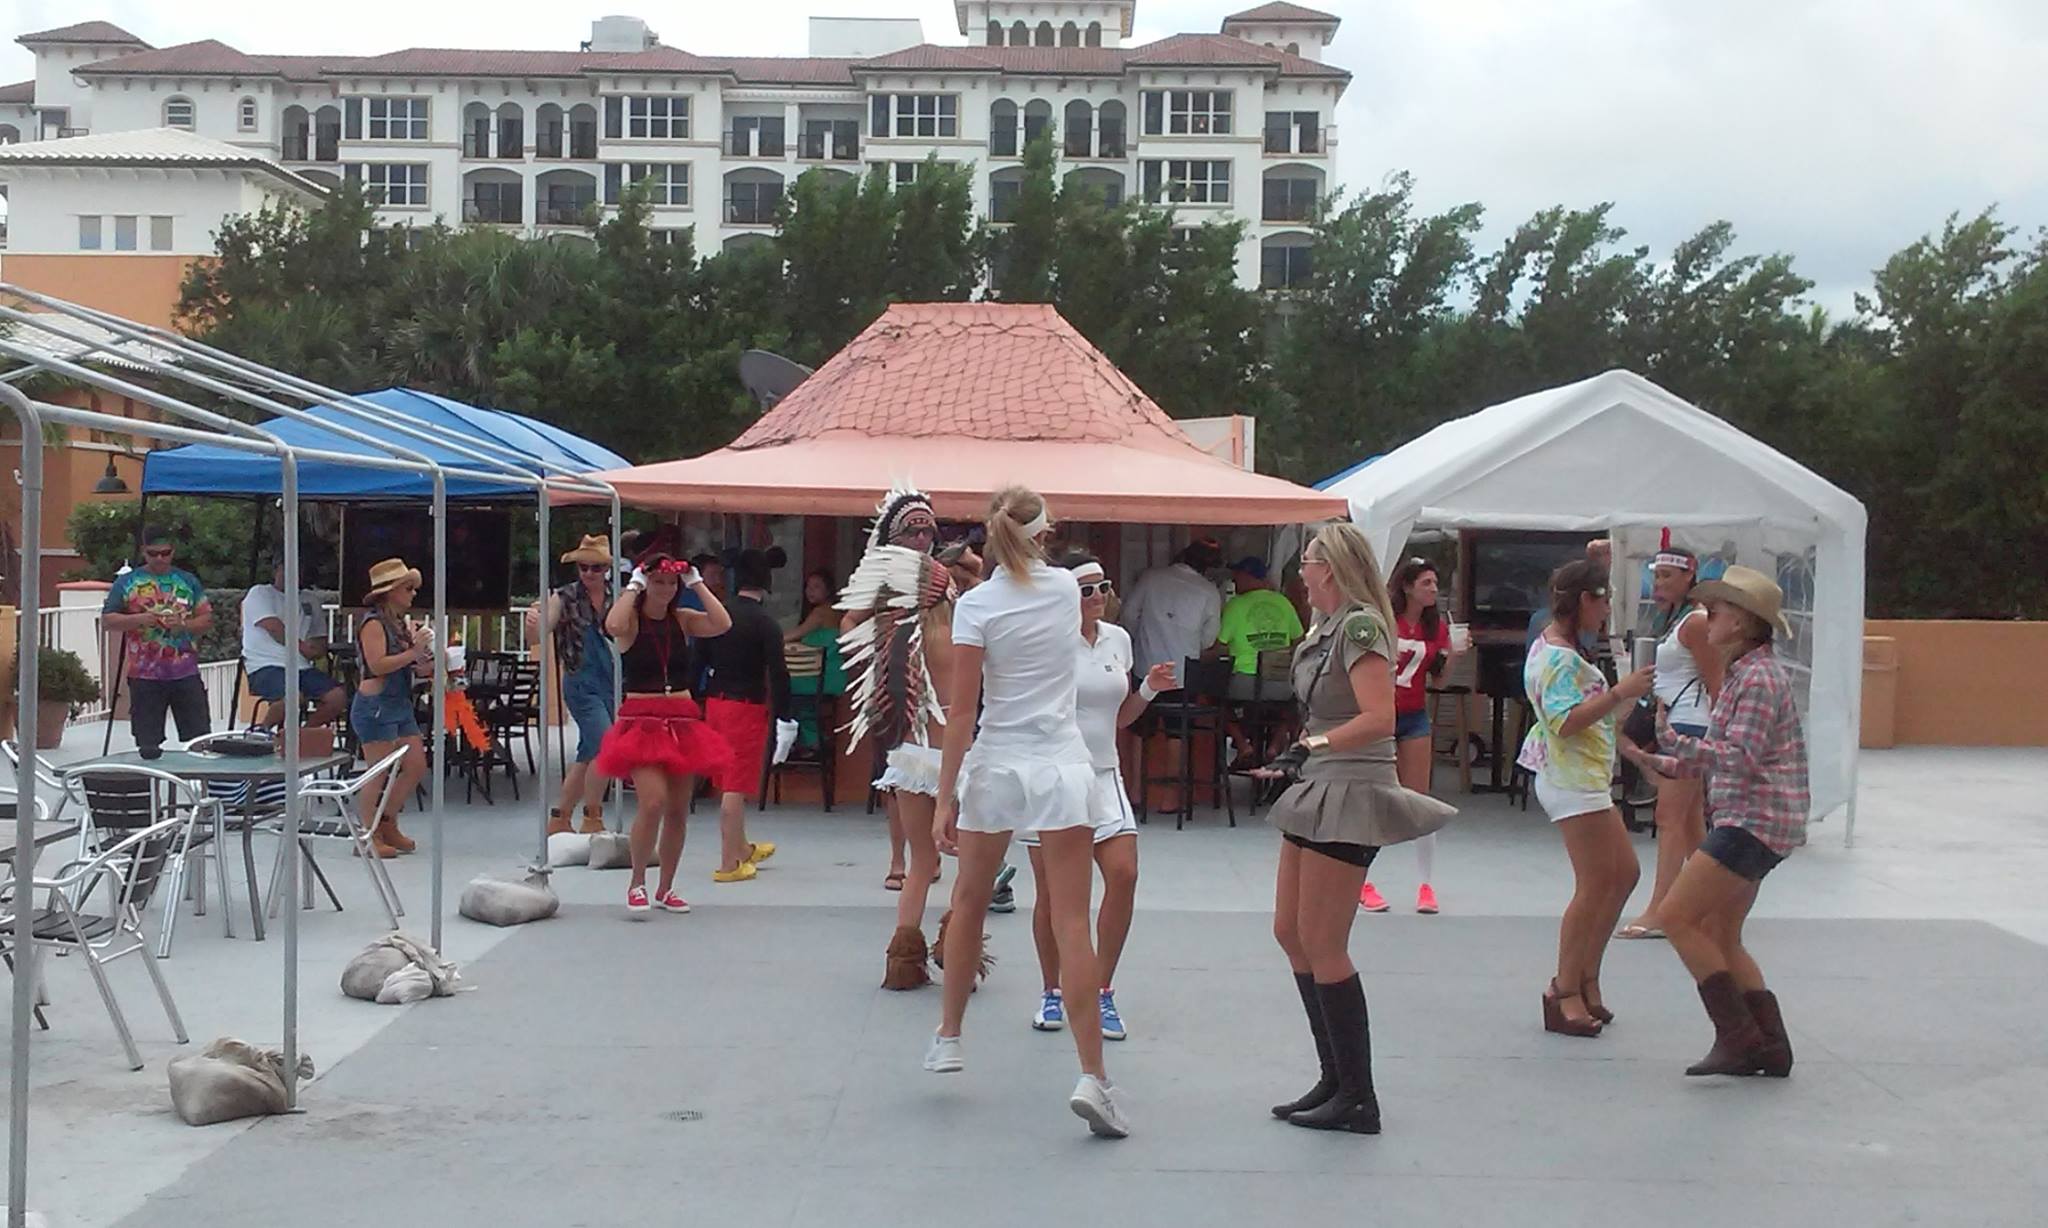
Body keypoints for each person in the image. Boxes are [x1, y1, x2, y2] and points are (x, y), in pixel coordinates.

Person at [925, 486, 1130, 1140]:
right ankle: (1093, 1074)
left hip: (997, 760)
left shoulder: (976, 605)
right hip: (1061, 761)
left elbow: (963, 710)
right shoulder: (1067, 589)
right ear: (1044, 535)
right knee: (1071, 919)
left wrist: (945, 795)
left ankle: (950, 1034)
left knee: (969, 900)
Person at [1258, 524, 1455, 1136]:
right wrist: (1300, 752)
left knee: (1323, 940)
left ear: (1332, 567)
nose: (1301, 572)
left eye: (1309, 561)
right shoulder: (1327, 627)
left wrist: (1312, 745)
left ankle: (1358, 1096)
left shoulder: (1361, 627)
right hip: (1319, 783)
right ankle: (1335, 1078)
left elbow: (1379, 717)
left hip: (1351, 788)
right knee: (1291, 931)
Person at [1620, 566, 1807, 1078]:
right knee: (1722, 933)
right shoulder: (1750, 674)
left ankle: (1739, 1038)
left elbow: (1741, 757)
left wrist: (1676, 745)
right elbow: (1734, 755)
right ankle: (1770, 1046)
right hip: (1758, 819)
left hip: (1752, 820)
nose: (1708, 618)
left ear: (1741, 622)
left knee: (1677, 917)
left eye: (1717, 611)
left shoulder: (1757, 679)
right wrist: (1666, 759)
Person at [1024, 553, 1174, 1040]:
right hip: (1053, 777)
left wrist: (1148, 690)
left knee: (1124, 874)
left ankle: (1100, 990)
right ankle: (1053, 990)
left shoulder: (1119, 640)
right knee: (1053, 894)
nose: (1095, 597)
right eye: (1084, 589)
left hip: (1105, 775)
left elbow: (1119, 718)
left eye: (1102, 587)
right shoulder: (1046, 642)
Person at [1518, 559, 1653, 1036]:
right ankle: (1565, 989)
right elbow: (1564, 721)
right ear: (1584, 600)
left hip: (1584, 777)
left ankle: (1586, 975)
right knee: (1595, 884)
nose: (1607, 610)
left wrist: (1630, 748)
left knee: (1623, 874)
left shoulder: (1559, 648)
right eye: (1603, 600)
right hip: (1572, 780)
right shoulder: (1559, 659)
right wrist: (1619, 694)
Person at [839, 484, 956, 986]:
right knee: (950, 858)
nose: (923, 538)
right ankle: (939, 947)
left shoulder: (946, 592)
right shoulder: (894, 591)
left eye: (929, 530)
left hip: (934, 740)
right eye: (913, 530)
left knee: (935, 859)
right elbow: (850, 624)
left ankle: (914, 955)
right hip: (935, 742)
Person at [594, 552, 734, 916]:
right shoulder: (632, 622)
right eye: (659, 582)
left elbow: (722, 623)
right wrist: (635, 583)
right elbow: (612, 624)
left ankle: (666, 887)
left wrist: (696, 583)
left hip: (682, 719)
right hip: (643, 720)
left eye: (671, 583)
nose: (666, 589)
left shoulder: (682, 619)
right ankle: (637, 881)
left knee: (677, 809)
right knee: (652, 801)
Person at [1617, 541, 1724, 940]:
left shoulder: (1695, 622)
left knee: (1669, 818)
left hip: (1689, 726)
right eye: (1656, 576)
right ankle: (1712, 904)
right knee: (1691, 824)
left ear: (1688, 577)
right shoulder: (1676, 620)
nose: (1659, 584)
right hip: (1675, 723)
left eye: (1667, 576)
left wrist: (1720, 736)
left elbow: (1716, 681)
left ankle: (1661, 910)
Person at [1359, 557, 1459, 916]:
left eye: (1435, 583)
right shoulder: (1386, 620)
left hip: (1414, 714)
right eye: (1426, 583)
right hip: (1381, 713)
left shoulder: (1435, 627)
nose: (1433, 590)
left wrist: (1454, 654)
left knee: (1419, 799)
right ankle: (1362, 880)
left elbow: (1439, 680)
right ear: (1407, 586)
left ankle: (1425, 883)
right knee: (1374, 796)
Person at [697, 547, 789, 883]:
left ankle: (742, 848)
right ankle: (729, 863)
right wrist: (785, 716)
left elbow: (698, 660)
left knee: (726, 779)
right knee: (736, 785)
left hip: (715, 703)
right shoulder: (766, 623)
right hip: (747, 706)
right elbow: (778, 673)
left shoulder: (718, 614)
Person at [527, 534, 617, 836]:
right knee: (605, 744)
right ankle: (592, 814)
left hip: (612, 682)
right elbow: (540, 633)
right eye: (583, 567)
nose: (589, 573)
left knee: (589, 751)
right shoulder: (563, 597)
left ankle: (561, 815)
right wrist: (533, 625)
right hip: (581, 681)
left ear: (606, 569)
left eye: (595, 567)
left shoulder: (618, 596)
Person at [101, 529, 214, 759]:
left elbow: (207, 620)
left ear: (173, 552)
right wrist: (139, 619)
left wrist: (183, 625)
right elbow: (107, 620)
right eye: (154, 554)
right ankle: (152, 780)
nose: (160, 558)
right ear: (144, 552)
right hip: (145, 675)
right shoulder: (127, 582)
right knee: (148, 743)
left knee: (199, 738)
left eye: (165, 553)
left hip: (185, 672)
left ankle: (200, 781)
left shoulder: (187, 581)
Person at [350, 558, 434, 857]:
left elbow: (408, 662)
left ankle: (387, 821)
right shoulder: (373, 623)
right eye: (408, 588)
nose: (413, 594)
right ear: (390, 592)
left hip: (399, 702)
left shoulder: (399, 624)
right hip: (376, 704)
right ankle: (367, 835)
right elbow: (377, 665)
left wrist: (426, 662)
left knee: (416, 765)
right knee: (378, 771)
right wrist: (414, 652)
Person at [241, 560, 345, 730]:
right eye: (285, 568)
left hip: (301, 666)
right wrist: (302, 647)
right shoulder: (259, 593)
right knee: (292, 697)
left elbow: (319, 636)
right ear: (275, 570)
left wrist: (317, 650)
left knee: (338, 697)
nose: (291, 573)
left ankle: (303, 735)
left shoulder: (310, 599)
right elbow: (274, 627)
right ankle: (263, 730)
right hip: (265, 665)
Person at [1121, 538, 1224, 683]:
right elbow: (1208, 639)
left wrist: (1142, 635)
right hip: (1183, 675)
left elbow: (1128, 614)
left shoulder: (1150, 577)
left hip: (1147, 668)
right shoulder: (1210, 592)